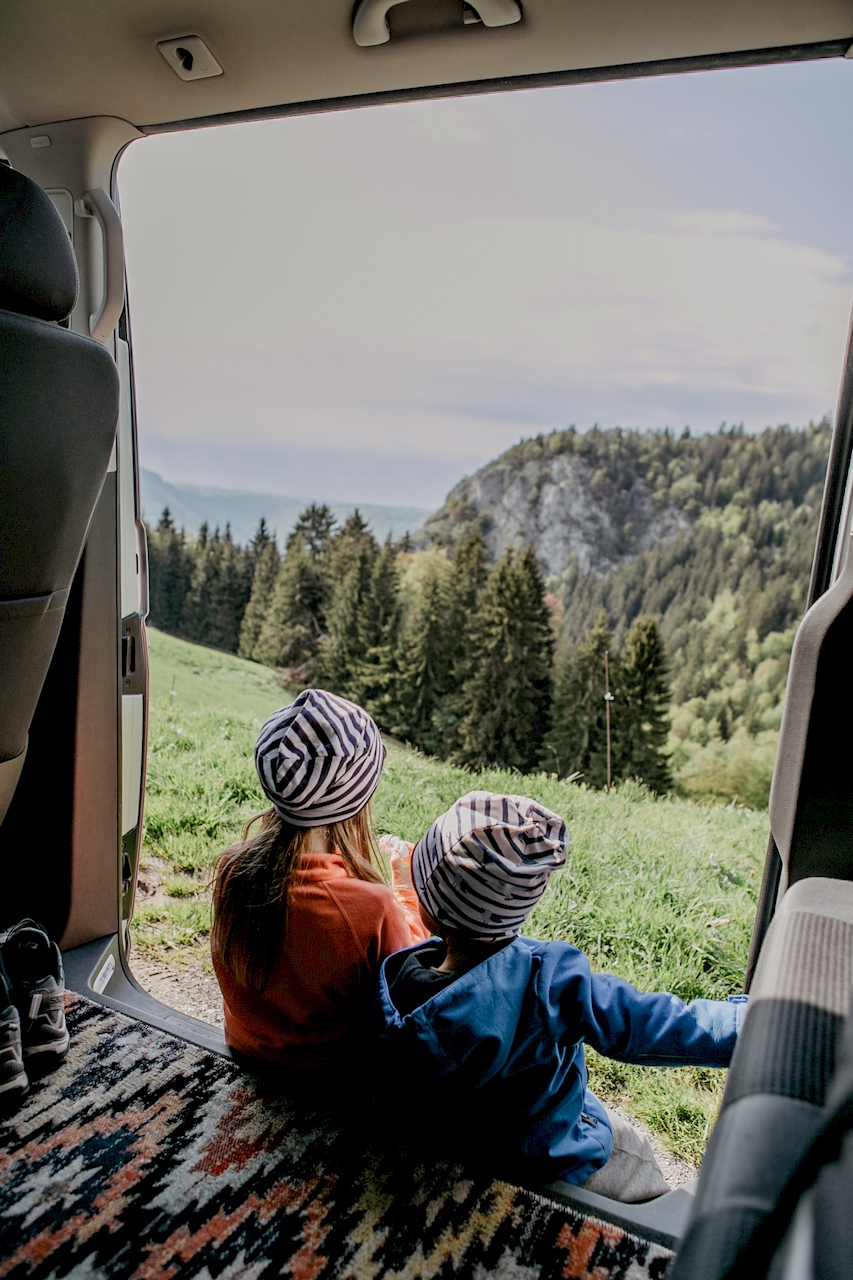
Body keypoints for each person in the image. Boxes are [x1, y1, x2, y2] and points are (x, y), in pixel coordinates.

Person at [373, 791, 747, 1202]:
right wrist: (751, 1025)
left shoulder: (398, 983)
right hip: (546, 1158)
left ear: (425, 909)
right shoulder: (549, 979)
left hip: (456, 1139)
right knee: (635, 1154)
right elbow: (652, 1024)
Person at [210, 688, 428, 1074]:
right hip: (327, 1082)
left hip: (245, 1050)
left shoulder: (232, 869)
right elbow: (406, 990)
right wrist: (409, 897)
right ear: (354, 799)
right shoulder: (372, 907)